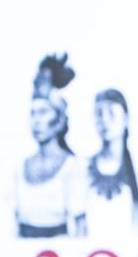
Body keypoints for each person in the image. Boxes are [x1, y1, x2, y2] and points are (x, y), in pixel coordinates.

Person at [13, 54, 85, 237]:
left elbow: (80, 229)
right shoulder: (20, 167)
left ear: (59, 120)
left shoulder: (72, 167)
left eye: (43, 112)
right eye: (33, 113)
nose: (37, 121)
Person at [80, 89, 138, 237]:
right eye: (99, 114)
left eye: (111, 113)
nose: (105, 120)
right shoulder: (82, 170)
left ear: (125, 119)